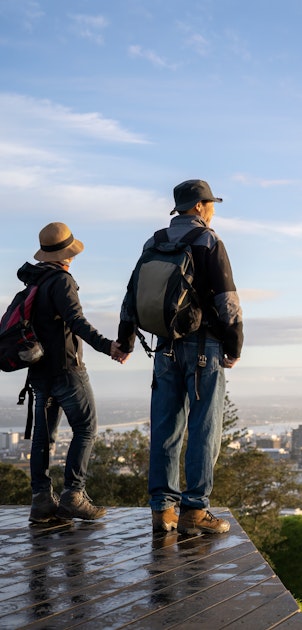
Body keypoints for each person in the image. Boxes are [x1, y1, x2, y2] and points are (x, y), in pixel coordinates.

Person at [117, 179, 244, 534]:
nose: (213, 209)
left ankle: (162, 511)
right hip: (204, 350)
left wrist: (125, 340)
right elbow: (227, 302)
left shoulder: (154, 241)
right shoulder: (209, 240)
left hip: (164, 347)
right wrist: (234, 346)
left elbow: (132, 294)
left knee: (165, 428)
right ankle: (194, 511)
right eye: (211, 204)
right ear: (201, 206)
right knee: (204, 430)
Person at [24, 222, 128, 524]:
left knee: (43, 439)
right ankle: (73, 496)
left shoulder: (35, 281)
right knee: (86, 428)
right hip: (67, 370)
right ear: (67, 254)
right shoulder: (61, 281)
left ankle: (41, 500)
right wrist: (108, 346)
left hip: (39, 372)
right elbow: (77, 321)